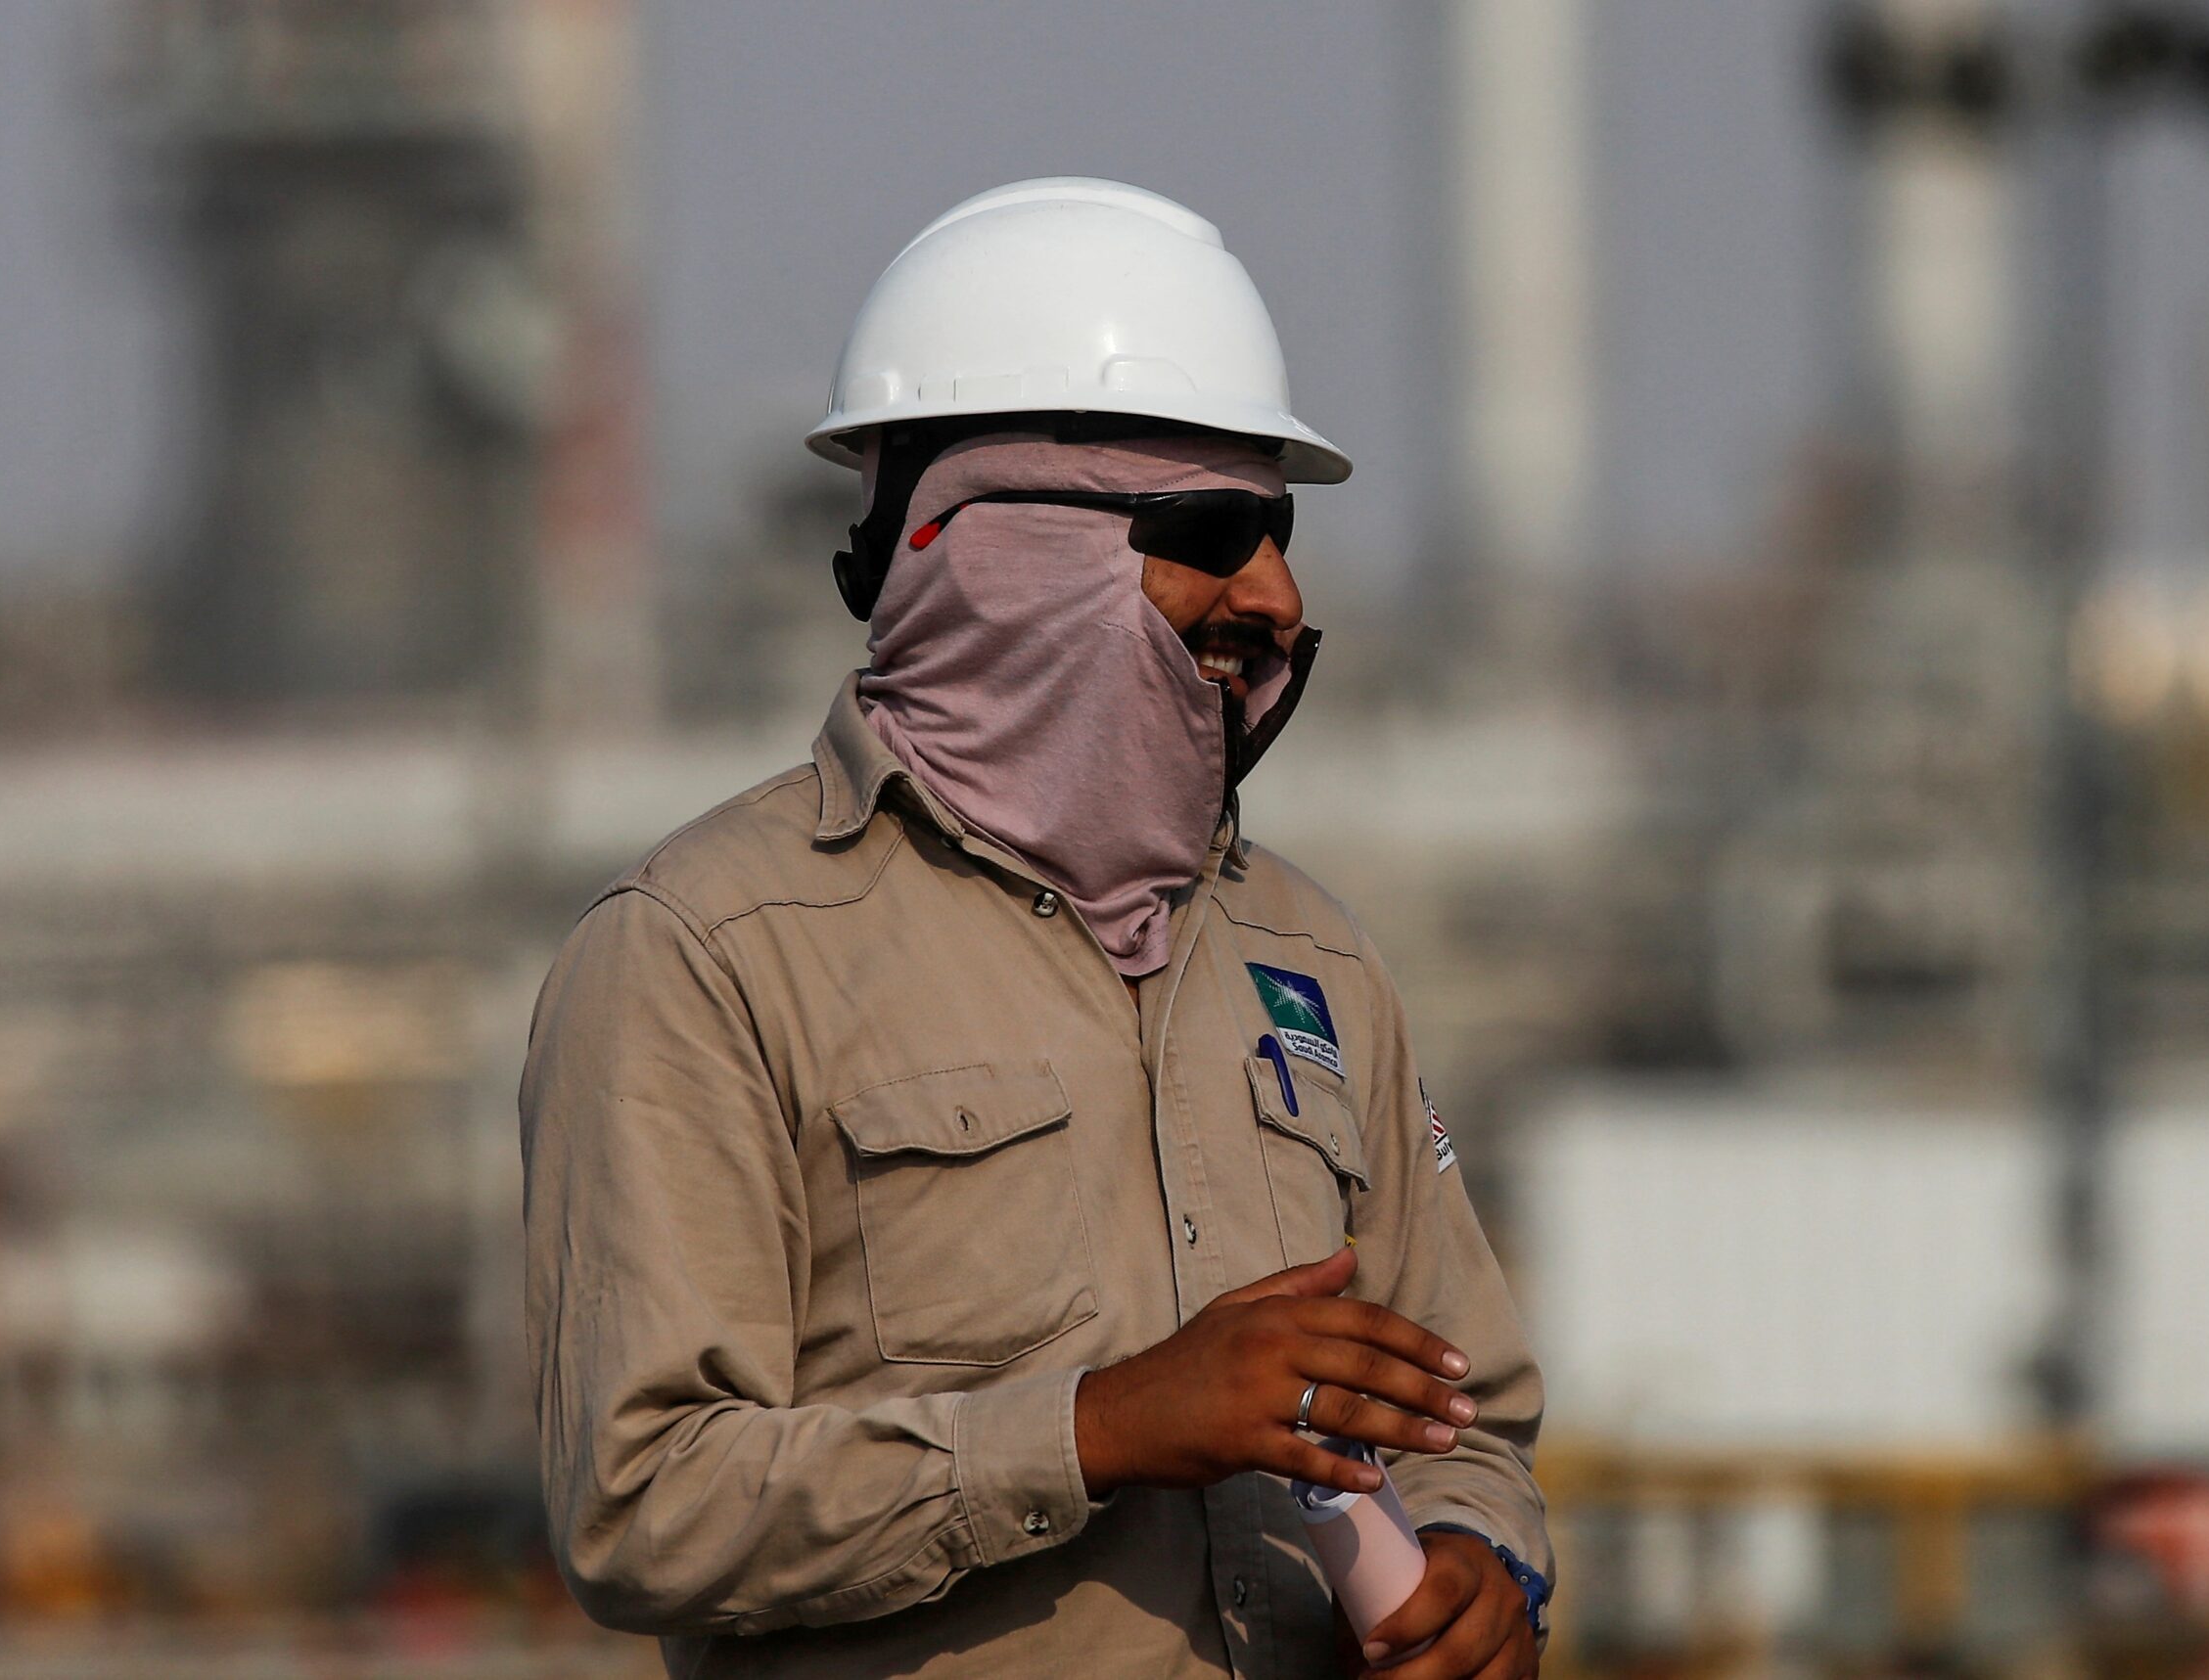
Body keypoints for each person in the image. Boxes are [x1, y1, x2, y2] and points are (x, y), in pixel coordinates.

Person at [520, 177, 1551, 1679]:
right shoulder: (711, 953)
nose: (1277, 591)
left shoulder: (1310, 956)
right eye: (1216, 531)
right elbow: (644, 1505)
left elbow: (1476, 1416)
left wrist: (1483, 1564)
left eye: (1283, 533)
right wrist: (1101, 1428)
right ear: (1001, 556)